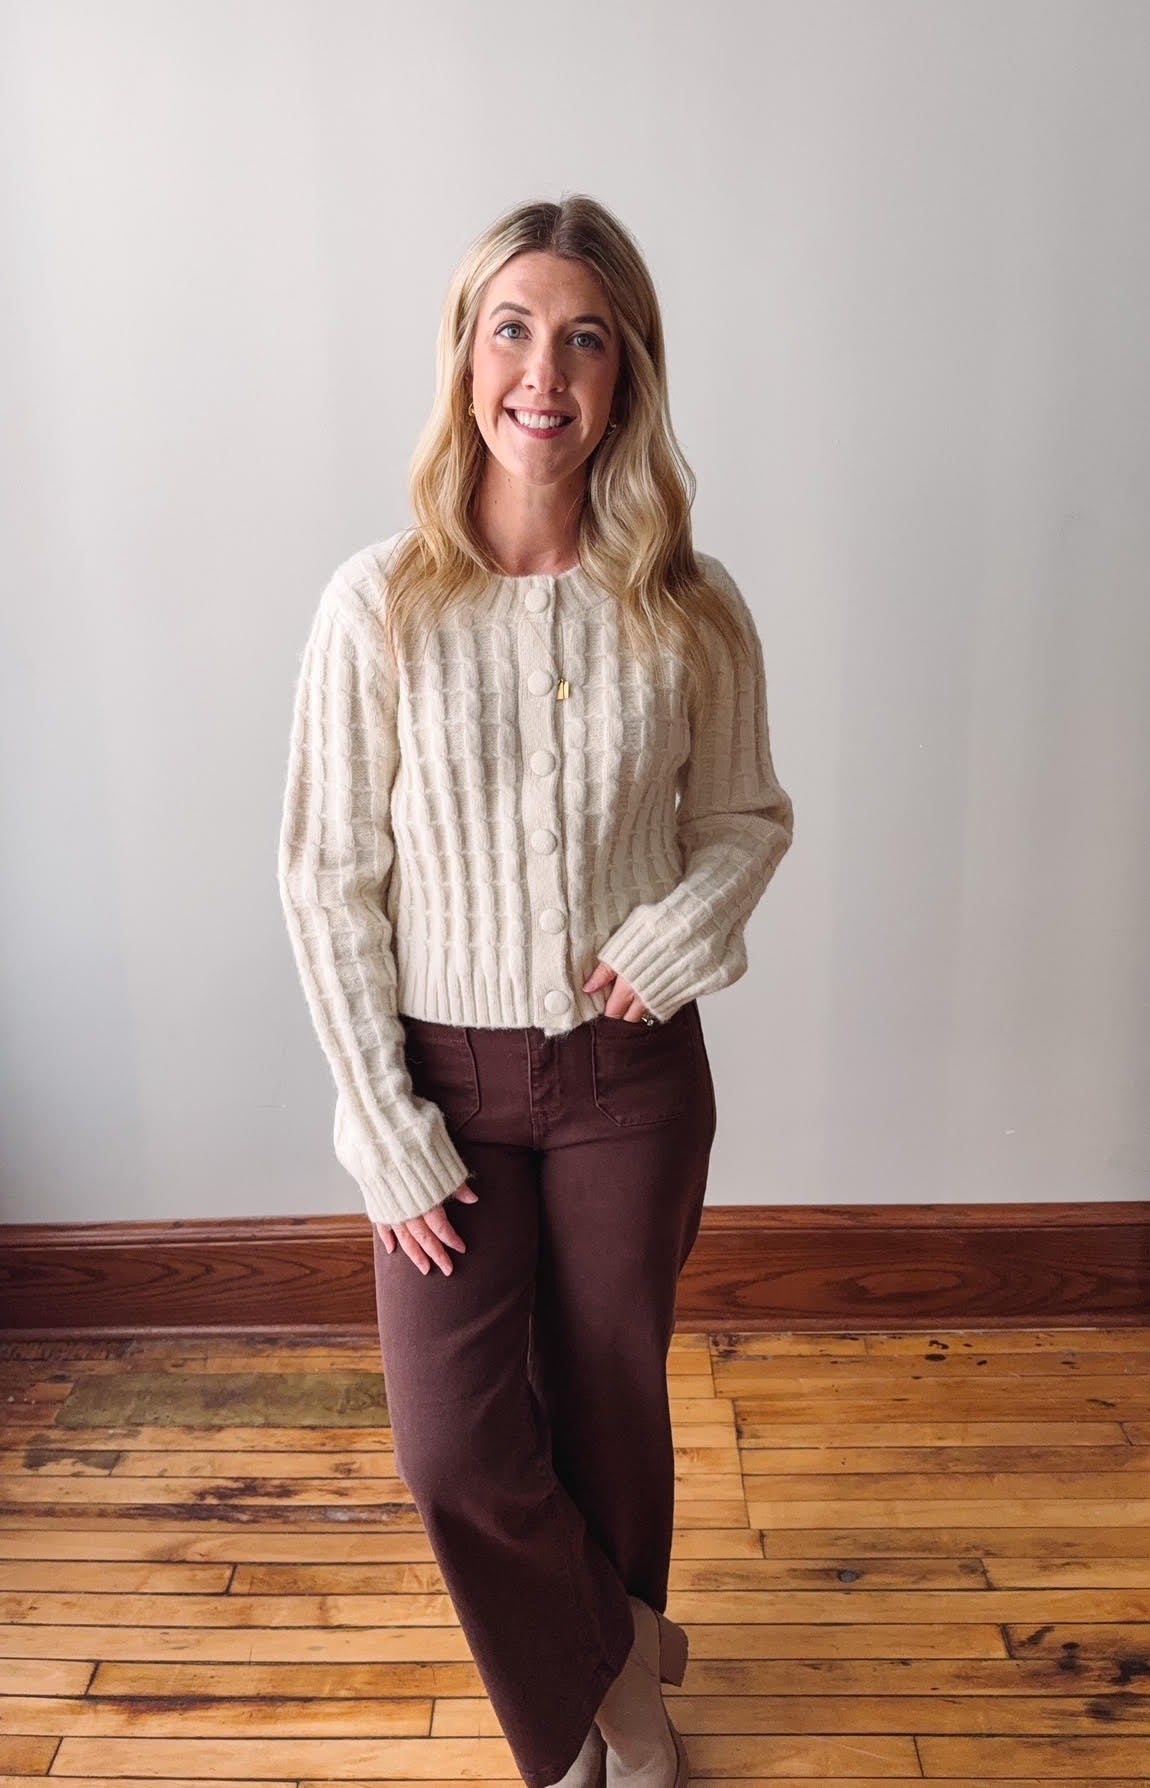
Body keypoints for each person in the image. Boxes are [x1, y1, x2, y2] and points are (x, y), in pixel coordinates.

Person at [277, 194, 794, 1788]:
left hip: (629, 1077)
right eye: (512, 328)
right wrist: (384, 1121)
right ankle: (616, 1652)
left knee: (603, 1395)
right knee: (451, 1447)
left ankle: (600, 1722)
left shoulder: (686, 607)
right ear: (465, 358)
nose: (543, 371)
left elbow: (746, 823)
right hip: (444, 1079)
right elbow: (324, 879)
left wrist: (666, 941)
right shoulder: (379, 604)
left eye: (583, 337)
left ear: (625, 375)